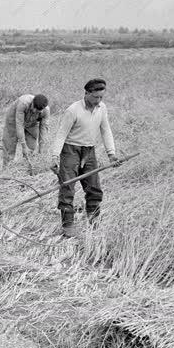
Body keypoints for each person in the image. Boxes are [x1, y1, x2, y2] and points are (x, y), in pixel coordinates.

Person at [50, 78, 120, 237]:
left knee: (94, 187)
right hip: (70, 151)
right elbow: (61, 134)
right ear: (87, 93)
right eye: (96, 97)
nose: (99, 100)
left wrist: (111, 154)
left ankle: (94, 221)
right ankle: (68, 226)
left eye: (101, 97)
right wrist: (55, 157)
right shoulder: (73, 110)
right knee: (67, 187)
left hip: (89, 151)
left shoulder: (102, 108)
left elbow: (106, 130)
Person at [2, 94, 50, 168]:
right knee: (10, 144)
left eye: (37, 111)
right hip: (14, 119)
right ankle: (7, 168)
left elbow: (43, 130)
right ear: (32, 103)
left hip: (32, 123)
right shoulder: (23, 103)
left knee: (31, 148)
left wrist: (41, 150)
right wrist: (24, 146)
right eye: (34, 108)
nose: (34, 111)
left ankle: (27, 168)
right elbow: (19, 125)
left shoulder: (46, 111)